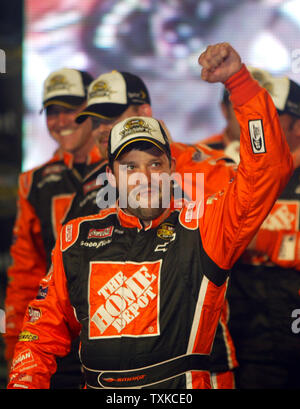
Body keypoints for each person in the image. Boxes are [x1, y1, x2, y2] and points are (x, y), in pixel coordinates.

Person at [6, 42, 293, 389]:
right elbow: (41, 325)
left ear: (170, 167)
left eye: (154, 163)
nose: (144, 176)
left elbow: (267, 172)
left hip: (200, 368)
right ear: (111, 173)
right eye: (130, 166)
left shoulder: (203, 217)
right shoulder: (78, 229)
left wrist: (239, 83)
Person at [65, 69, 238, 387]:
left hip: (200, 362)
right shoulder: (91, 186)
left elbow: (250, 224)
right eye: (96, 119)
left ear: (144, 112)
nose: (103, 128)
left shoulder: (207, 168)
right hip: (114, 374)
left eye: (112, 115)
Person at [4, 67, 101, 388]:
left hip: (115, 329)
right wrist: (16, 347)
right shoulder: (34, 183)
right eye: (52, 112)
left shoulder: (125, 169)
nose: (60, 122)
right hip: (56, 336)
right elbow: (26, 273)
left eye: (71, 110)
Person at [222, 68, 300, 389]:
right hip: (244, 328)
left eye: (274, 114)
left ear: (298, 124)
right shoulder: (232, 169)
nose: (261, 121)